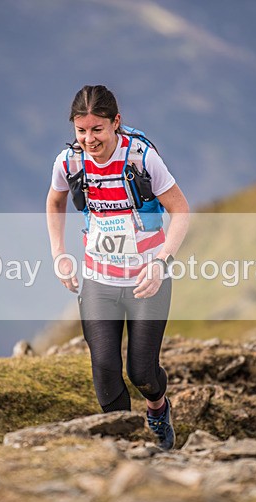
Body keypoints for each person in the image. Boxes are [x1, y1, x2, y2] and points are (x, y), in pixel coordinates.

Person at [46, 85, 189, 450]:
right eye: (81, 131)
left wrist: (161, 263)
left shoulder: (140, 158)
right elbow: (55, 200)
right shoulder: (70, 162)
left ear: (116, 123)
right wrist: (59, 252)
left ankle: (157, 410)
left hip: (147, 279)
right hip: (99, 279)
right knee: (105, 369)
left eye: (97, 129)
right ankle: (124, 451)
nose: (89, 139)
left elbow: (181, 210)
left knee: (141, 372)